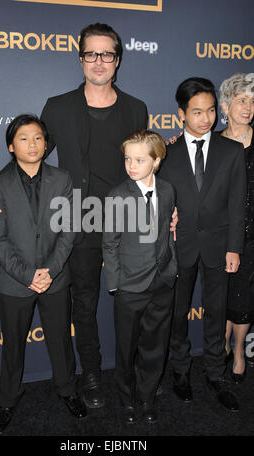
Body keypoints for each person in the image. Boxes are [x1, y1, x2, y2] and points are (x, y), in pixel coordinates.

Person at [0, 23, 152, 409]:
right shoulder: (57, 107)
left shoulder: (136, 108)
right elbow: (30, 157)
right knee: (86, 304)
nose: (99, 61)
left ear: (117, 60)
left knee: (134, 301)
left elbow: (147, 164)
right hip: (78, 223)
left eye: (107, 53)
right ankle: (90, 374)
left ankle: (135, 372)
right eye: (91, 53)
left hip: (127, 220)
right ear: (80, 59)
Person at [0, 114, 86, 435]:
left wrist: (51, 270)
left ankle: (68, 390)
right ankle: (7, 399)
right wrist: (28, 275)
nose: (32, 144)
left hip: (55, 277)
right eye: (24, 138)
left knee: (60, 341)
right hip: (16, 282)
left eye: (38, 138)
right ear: (10, 146)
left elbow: (68, 229)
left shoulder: (62, 179)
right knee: (13, 344)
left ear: (46, 144)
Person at [158, 77, 246, 412]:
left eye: (210, 110)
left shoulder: (232, 151)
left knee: (216, 314)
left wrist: (234, 248)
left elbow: (237, 204)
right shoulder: (166, 154)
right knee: (178, 314)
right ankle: (181, 372)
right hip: (179, 247)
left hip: (219, 246)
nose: (206, 118)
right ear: (181, 113)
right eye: (197, 112)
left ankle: (215, 374)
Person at [102, 130, 177, 424]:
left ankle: (148, 395)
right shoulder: (118, 195)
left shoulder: (169, 190)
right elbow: (110, 242)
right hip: (130, 286)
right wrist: (117, 284)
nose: (131, 165)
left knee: (155, 345)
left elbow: (167, 232)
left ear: (156, 160)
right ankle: (126, 397)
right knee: (126, 347)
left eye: (139, 159)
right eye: (127, 159)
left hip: (162, 281)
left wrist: (171, 266)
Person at [219, 73, 254, 382]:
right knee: (221, 294)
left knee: (243, 296)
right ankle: (221, 346)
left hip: (252, 236)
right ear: (226, 105)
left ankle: (239, 349)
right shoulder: (213, 143)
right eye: (242, 100)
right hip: (219, 234)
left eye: (253, 101)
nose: (248, 106)